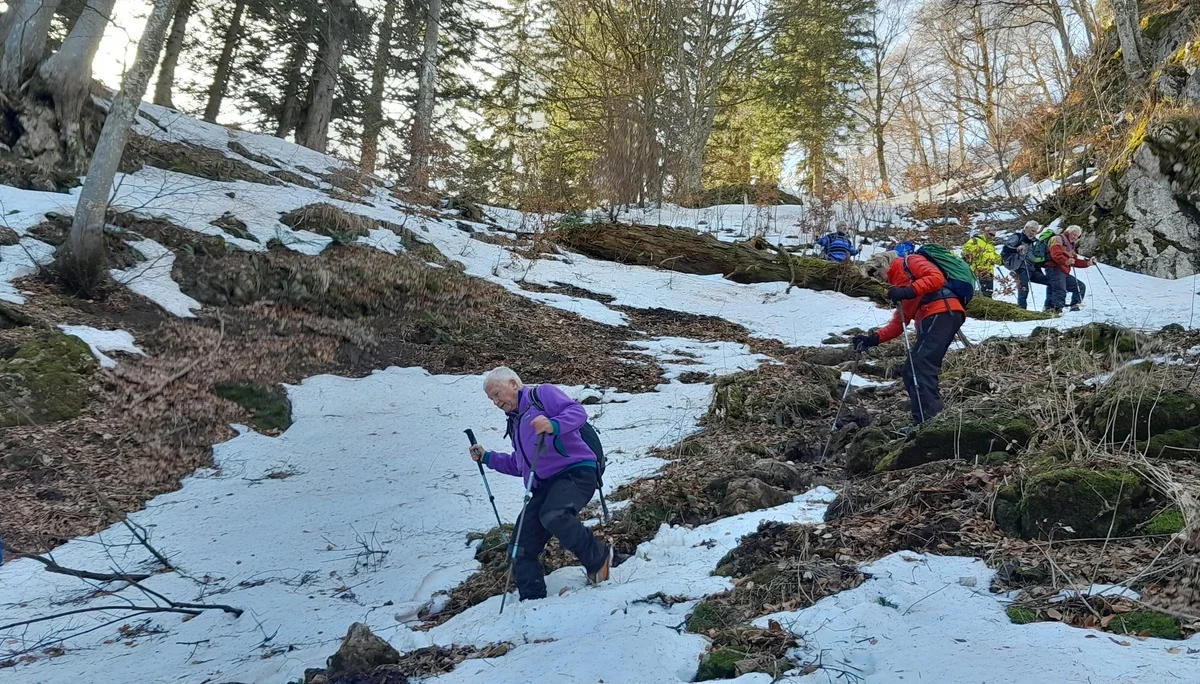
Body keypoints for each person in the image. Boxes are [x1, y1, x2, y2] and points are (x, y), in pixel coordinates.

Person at [468, 367, 613, 601]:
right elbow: (519, 465)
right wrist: (487, 457)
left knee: (554, 514)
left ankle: (598, 558)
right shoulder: (515, 423)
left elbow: (577, 412)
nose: (495, 402)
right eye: (490, 398)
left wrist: (553, 425)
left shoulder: (542, 395)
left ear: (514, 384)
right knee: (519, 548)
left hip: (575, 472)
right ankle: (532, 602)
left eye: (496, 394)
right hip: (542, 486)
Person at [855, 251, 966, 431]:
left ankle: (928, 424)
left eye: (876, 274)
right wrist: (872, 339)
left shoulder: (910, 262)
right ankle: (926, 421)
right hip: (936, 315)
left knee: (919, 367)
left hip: (941, 311)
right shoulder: (899, 285)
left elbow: (936, 278)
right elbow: (900, 322)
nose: (878, 280)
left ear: (883, 265)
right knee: (912, 369)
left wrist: (907, 291)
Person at [1001, 220, 1051, 310]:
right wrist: (1017, 248)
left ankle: (1049, 306)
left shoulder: (1034, 242)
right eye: (1032, 230)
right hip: (1020, 267)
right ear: (1026, 228)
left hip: (1033, 268)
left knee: (1051, 282)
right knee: (1024, 288)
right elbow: (1005, 249)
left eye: (1035, 231)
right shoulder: (1017, 237)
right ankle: (1022, 309)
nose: (1034, 233)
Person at [1044, 225, 1094, 314]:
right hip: (1054, 268)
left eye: (1077, 236)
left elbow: (1075, 261)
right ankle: (1054, 310)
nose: (1075, 237)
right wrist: (1066, 260)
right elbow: (1056, 255)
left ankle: (1074, 307)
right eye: (1073, 234)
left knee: (1079, 286)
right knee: (1059, 290)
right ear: (1068, 232)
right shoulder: (1057, 239)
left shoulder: (1070, 245)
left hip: (1063, 270)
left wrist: (1087, 263)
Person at [962, 228, 1001, 297]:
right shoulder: (975, 241)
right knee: (984, 292)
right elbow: (966, 251)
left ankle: (987, 305)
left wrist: (1004, 261)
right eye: (991, 234)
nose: (992, 237)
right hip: (979, 270)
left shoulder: (990, 245)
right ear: (986, 233)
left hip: (988, 272)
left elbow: (994, 256)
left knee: (988, 292)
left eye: (994, 235)